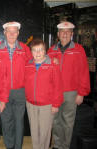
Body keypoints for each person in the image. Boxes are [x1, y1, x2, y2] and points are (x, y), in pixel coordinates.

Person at [48, 21, 90, 149]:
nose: (65, 34)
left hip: (71, 93)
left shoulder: (79, 50)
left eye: (68, 32)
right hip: (54, 92)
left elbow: (84, 72)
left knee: (67, 122)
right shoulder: (51, 50)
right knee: (55, 121)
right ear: (58, 34)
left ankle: (65, 146)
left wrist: (82, 93)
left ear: (72, 34)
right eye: (62, 31)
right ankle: (57, 145)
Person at [0, 21, 32, 149]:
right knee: (6, 121)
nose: (11, 34)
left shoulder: (24, 48)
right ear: (4, 33)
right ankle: (9, 146)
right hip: (2, 91)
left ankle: (18, 146)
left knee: (19, 122)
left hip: (20, 91)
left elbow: (33, 66)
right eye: (9, 31)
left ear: (18, 33)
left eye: (14, 31)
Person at [25, 38, 63, 149]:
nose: (37, 53)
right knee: (34, 131)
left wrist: (56, 104)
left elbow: (58, 86)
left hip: (47, 105)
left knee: (45, 133)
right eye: (35, 50)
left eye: (40, 50)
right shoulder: (28, 65)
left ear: (45, 51)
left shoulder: (52, 65)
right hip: (31, 104)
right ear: (31, 52)